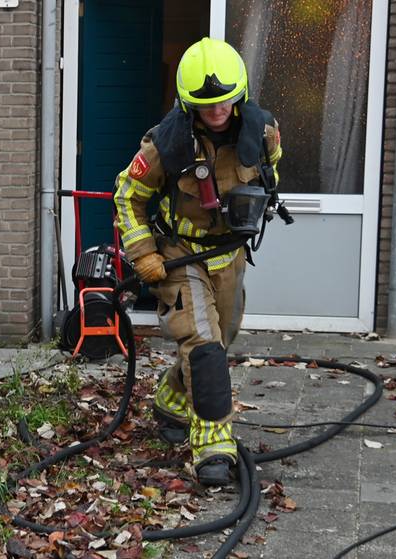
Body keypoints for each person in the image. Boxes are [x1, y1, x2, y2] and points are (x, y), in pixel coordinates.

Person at [112, 37, 283, 486]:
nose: (218, 111)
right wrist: (145, 253)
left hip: (229, 255)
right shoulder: (165, 145)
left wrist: (257, 203)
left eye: (225, 102)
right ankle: (212, 442)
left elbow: (272, 170)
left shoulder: (263, 132)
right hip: (180, 254)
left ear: (239, 95)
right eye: (207, 105)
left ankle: (170, 400)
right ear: (189, 104)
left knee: (219, 341)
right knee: (205, 348)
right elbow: (128, 197)